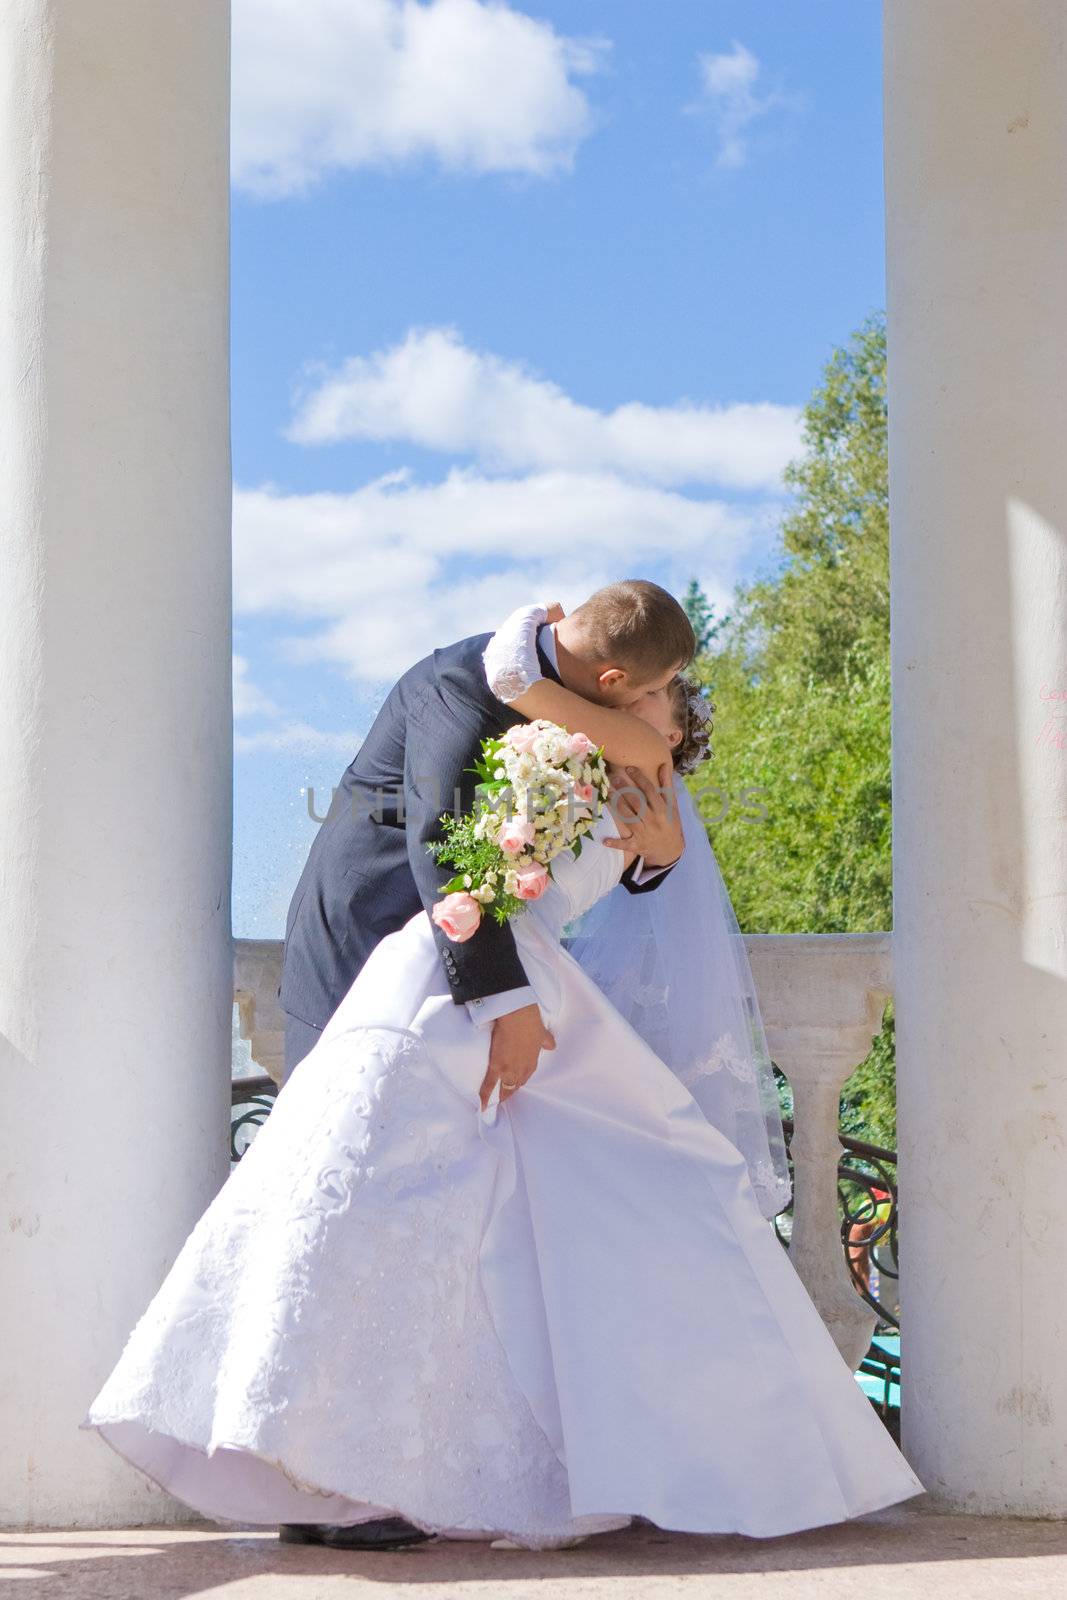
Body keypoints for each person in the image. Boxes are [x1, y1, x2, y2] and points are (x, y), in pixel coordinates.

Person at [81, 596, 925, 1551]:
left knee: (488, 1235)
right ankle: (317, 1480)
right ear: (612, 688)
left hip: (504, 979)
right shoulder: (475, 692)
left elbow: (580, 880)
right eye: (654, 692)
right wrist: (503, 1001)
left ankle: (475, 1463)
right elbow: (452, 847)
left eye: (667, 706)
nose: (666, 703)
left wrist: (653, 862)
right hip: (402, 957)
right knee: (359, 1215)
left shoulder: (602, 764)